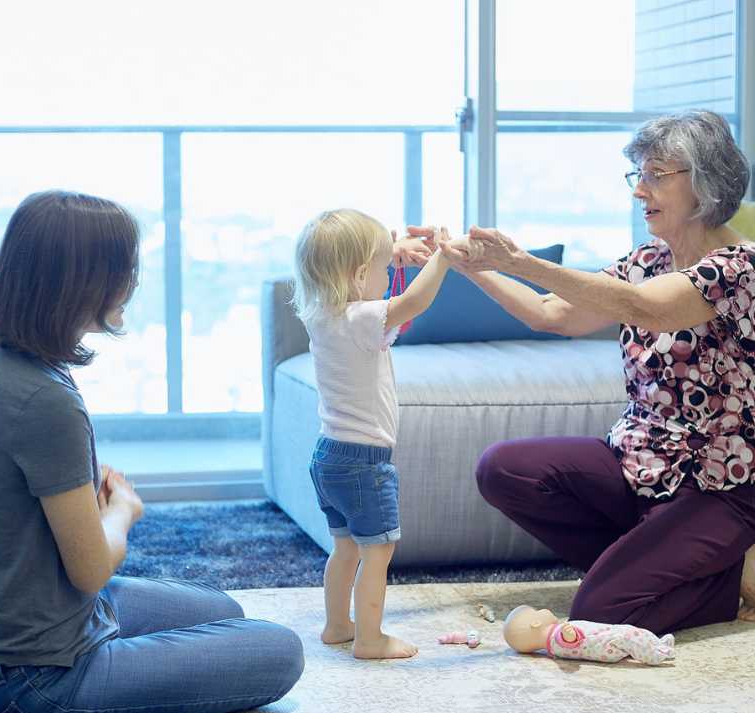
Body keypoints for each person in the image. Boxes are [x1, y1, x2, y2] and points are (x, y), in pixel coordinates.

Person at [0, 190, 304, 713]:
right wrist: (122, 511)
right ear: (83, 282)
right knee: (278, 650)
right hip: (38, 674)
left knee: (225, 612)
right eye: (126, 270)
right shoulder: (45, 399)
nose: (133, 283)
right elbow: (93, 569)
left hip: (23, 622)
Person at [415, 109, 755, 635]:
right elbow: (553, 314)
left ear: (704, 180)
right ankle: (658, 566)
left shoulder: (739, 270)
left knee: (600, 611)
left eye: (655, 176)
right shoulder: (647, 259)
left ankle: (722, 586)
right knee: (504, 468)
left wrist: (522, 260)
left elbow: (649, 309)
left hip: (717, 487)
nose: (640, 191)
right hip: (638, 461)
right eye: (637, 175)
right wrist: (473, 266)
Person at [292, 209, 451, 659]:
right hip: (365, 462)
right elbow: (415, 302)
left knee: (345, 549)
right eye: (382, 267)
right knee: (378, 551)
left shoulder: (321, 313)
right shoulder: (363, 317)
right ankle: (370, 638)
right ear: (360, 274)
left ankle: (337, 625)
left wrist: (393, 252)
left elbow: (358, 280)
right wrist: (443, 258)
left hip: (327, 456)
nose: (388, 272)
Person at [502, 606, 675, 665]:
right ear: (536, 624)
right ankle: (654, 655)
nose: (542, 610)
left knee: (631, 631)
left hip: (605, 639)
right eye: (536, 611)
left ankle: (657, 643)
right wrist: (567, 634)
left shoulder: (552, 645)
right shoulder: (556, 637)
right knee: (630, 636)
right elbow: (570, 642)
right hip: (606, 644)